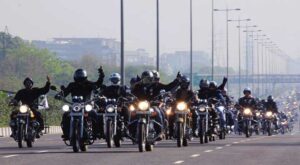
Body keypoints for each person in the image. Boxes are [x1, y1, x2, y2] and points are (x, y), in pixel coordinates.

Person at [57, 67, 105, 140]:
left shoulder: (89, 84)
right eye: (78, 75)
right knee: (65, 115)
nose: (79, 76)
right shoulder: (72, 85)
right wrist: (59, 95)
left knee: (95, 114)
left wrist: (101, 74)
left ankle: (97, 133)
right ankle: (66, 134)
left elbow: (98, 84)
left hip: (86, 106)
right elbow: (65, 92)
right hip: (75, 106)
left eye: (81, 75)